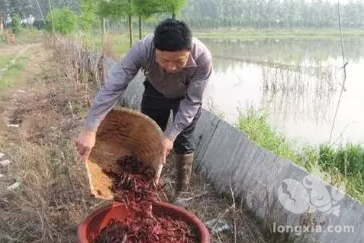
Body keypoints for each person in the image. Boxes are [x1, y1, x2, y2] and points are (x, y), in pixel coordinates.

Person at [76, 18, 213, 202]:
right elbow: (114, 85)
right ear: (154, 50)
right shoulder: (142, 49)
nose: (171, 67)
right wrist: (90, 128)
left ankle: (181, 193)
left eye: (179, 62)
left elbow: (193, 101)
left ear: (189, 52)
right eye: (164, 60)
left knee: (183, 140)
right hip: (155, 92)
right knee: (146, 137)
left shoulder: (203, 58)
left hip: (185, 97)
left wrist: (170, 135)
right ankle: (143, 184)